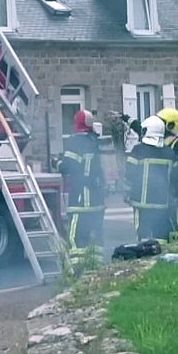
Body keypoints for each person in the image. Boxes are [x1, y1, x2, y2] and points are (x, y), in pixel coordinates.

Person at [123, 116, 178, 244]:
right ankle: (162, 258)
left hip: (141, 204)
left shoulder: (138, 150)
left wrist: (127, 194)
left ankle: (145, 259)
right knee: (161, 236)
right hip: (162, 203)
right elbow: (175, 179)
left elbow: (129, 175)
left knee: (143, 236)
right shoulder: (169, 153)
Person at [58, 109, 105, 258]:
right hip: (97, 199)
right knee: (96, 234)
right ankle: (97, 265)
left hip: (80, 198)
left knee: (75, 237)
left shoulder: (75, 142)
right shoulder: (96, 141)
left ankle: (78, 268)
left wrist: (58, 163)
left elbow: (67, 166)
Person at [156, 107, 178, 240]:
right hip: (162, 185)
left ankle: (177, 240)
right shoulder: (158, 141)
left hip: (173, 186)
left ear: (170, 125)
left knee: (172, 214)